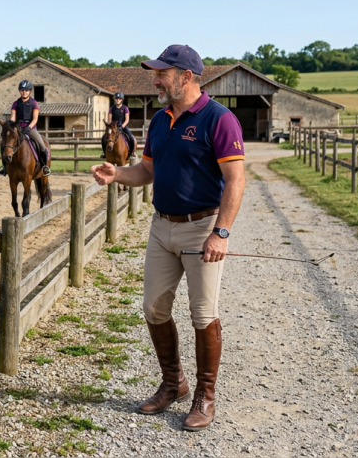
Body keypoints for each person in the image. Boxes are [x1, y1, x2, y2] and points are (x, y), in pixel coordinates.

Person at [90, 44, 245, 431]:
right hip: (162, 227)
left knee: (202, 314)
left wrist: (220, 233)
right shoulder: (160, 120)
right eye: (155, 73)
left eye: (162, 74)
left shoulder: (219, 119)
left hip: (201, 227)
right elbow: (147, 172)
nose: (155, 80)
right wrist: (117, 174)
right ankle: (174, 383)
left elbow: (235, 181)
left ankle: (205, 397)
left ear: (186, 77)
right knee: (153, 310)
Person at [0, 79, 51, 177]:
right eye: (22, 90)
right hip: (17, 129)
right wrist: (11, 126)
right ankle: (4, 167)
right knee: (3, 145)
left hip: (31, 129)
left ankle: (44, 167)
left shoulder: (34, 103)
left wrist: (29, 127)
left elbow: (35, 119)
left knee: (42, 145)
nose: (24, 92)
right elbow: (13, 118)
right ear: (19, 91)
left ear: (30, 91)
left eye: (26, 90)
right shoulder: (15, 103)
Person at [104, 92, 137, 158]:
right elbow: (109, 120)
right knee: (103, 138)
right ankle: (104, 153)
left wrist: (122, 127)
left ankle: (132, 152)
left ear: (121, 100)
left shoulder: (125, 108)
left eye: (119, 99)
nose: (117, 100)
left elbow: (127, 120)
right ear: (114, 99)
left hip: (122, 126)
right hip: (113, 127)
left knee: (131, 138)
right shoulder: (112, 108)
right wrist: (108, 125)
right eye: (116, 98)